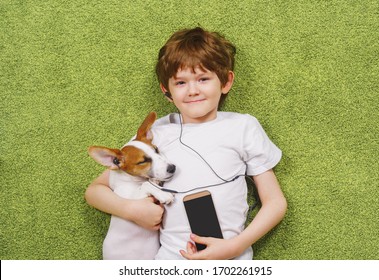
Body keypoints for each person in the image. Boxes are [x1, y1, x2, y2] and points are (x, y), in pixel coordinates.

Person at [85, 27, 287, 260]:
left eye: (203, 79)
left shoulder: (243, 127)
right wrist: (132, 210)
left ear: (226, 82)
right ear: (166, 90)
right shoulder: (154, 135)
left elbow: (275, 202)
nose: (192, 90)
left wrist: (236, 246)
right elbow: (94, 191)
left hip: (230, 260)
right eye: (180, 83)